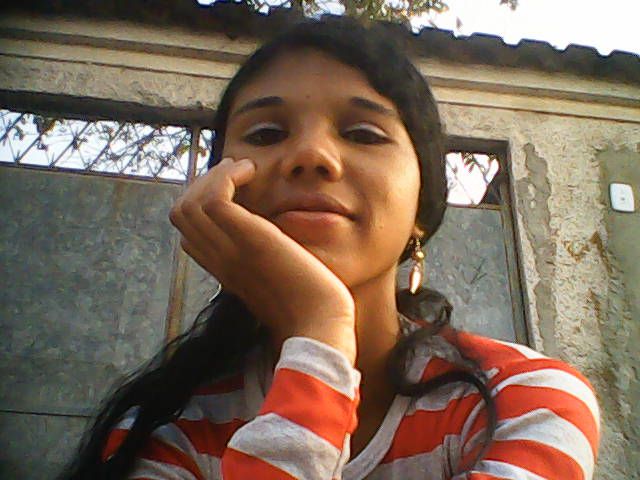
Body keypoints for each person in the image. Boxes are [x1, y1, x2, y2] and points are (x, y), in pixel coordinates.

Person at [60, 16, 599, 480]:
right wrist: (320, 334)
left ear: (422, 206)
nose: (312, 155)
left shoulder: (524, 400)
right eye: (266, 134)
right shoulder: (166, 430)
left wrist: (315, 333)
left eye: (363, 134)